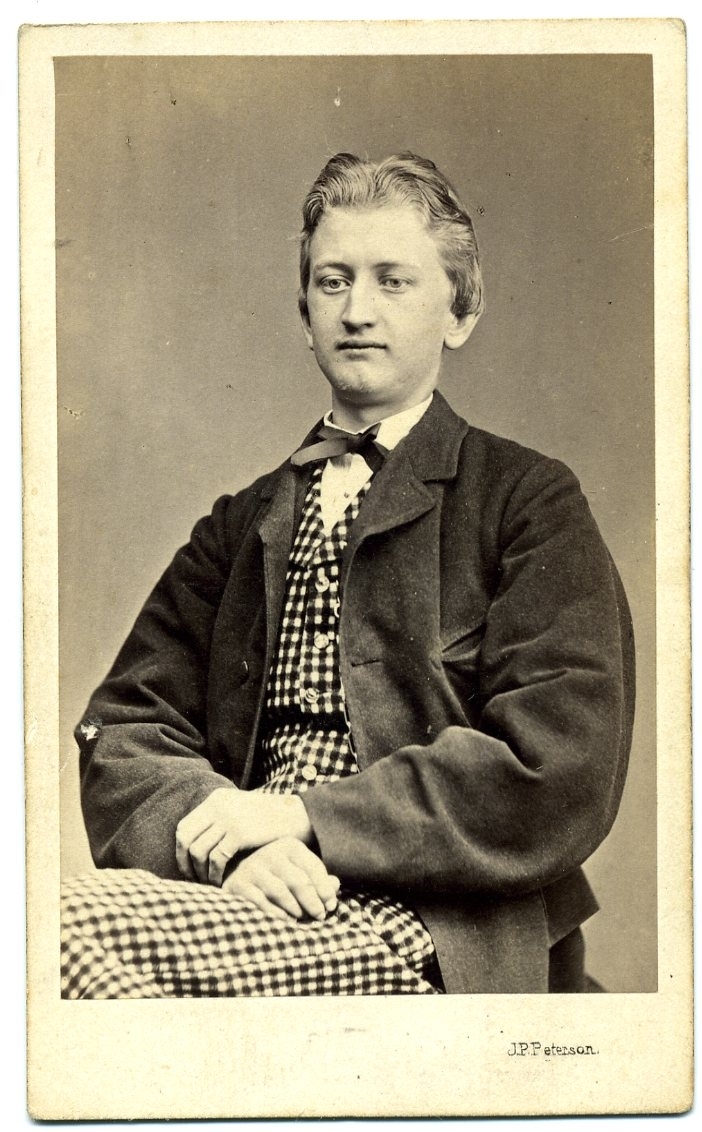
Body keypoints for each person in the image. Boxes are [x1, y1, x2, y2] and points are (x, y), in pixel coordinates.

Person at [61, 152, 635, 999]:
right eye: (333, 282)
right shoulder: (241, 522)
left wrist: (302, 816)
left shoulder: (526, 501)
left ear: (461, 312)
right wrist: (230, 852)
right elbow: (125, 726)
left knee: (61, 938)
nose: (357, 310)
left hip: (434, 927)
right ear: (305, 316)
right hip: (260, 899)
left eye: (393, 281)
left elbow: (559, 766)